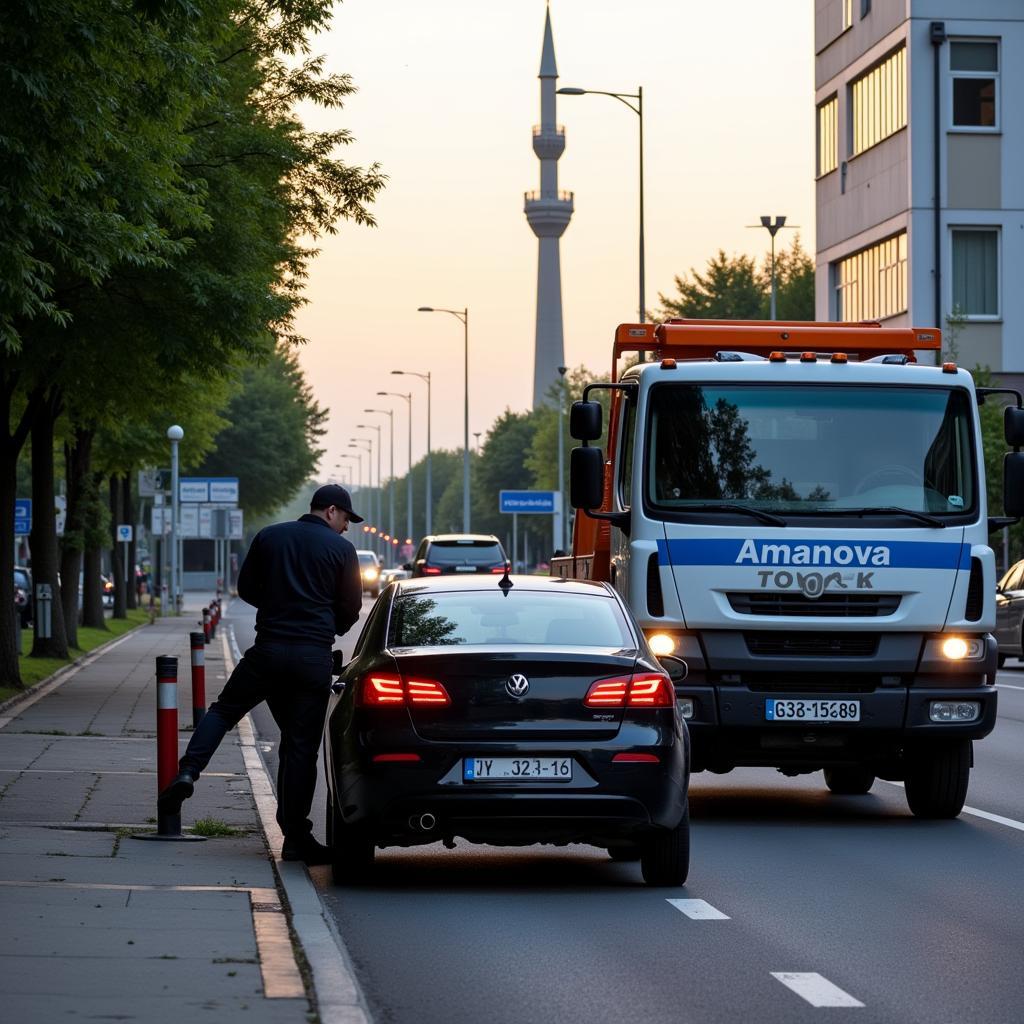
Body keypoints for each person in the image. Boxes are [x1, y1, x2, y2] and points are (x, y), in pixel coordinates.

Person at [158, 484, 364, 865]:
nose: (347, 528)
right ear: (332, 511)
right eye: (346, 520)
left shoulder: (270, 536)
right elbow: (351, 607)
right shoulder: (341, 551)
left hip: (267, 652)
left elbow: (246, 588)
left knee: (223, 711)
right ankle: (296, 837)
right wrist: (325, 625)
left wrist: (277, 605)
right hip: (311, 659)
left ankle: (187, 772)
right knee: (301, 747)